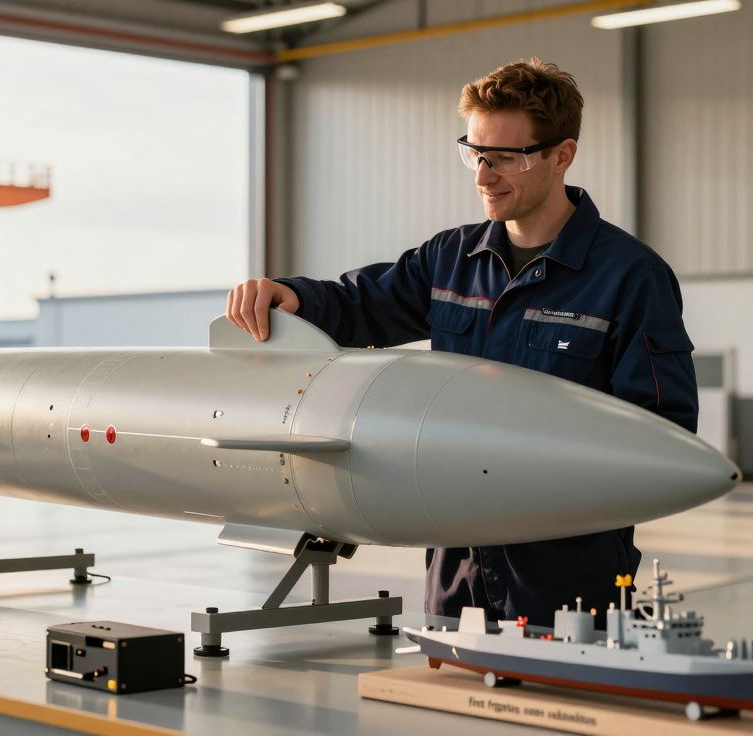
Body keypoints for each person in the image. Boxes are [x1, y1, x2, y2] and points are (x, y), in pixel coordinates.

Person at [224, 58, 698, 627]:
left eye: (504, 158)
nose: (482, 175)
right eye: (474, 153)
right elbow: (360, 305)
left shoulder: (629, 277)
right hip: (456, 567)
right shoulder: (449, 260)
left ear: (561, 155)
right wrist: (289, 295)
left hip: (566, 573)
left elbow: (662, 432)